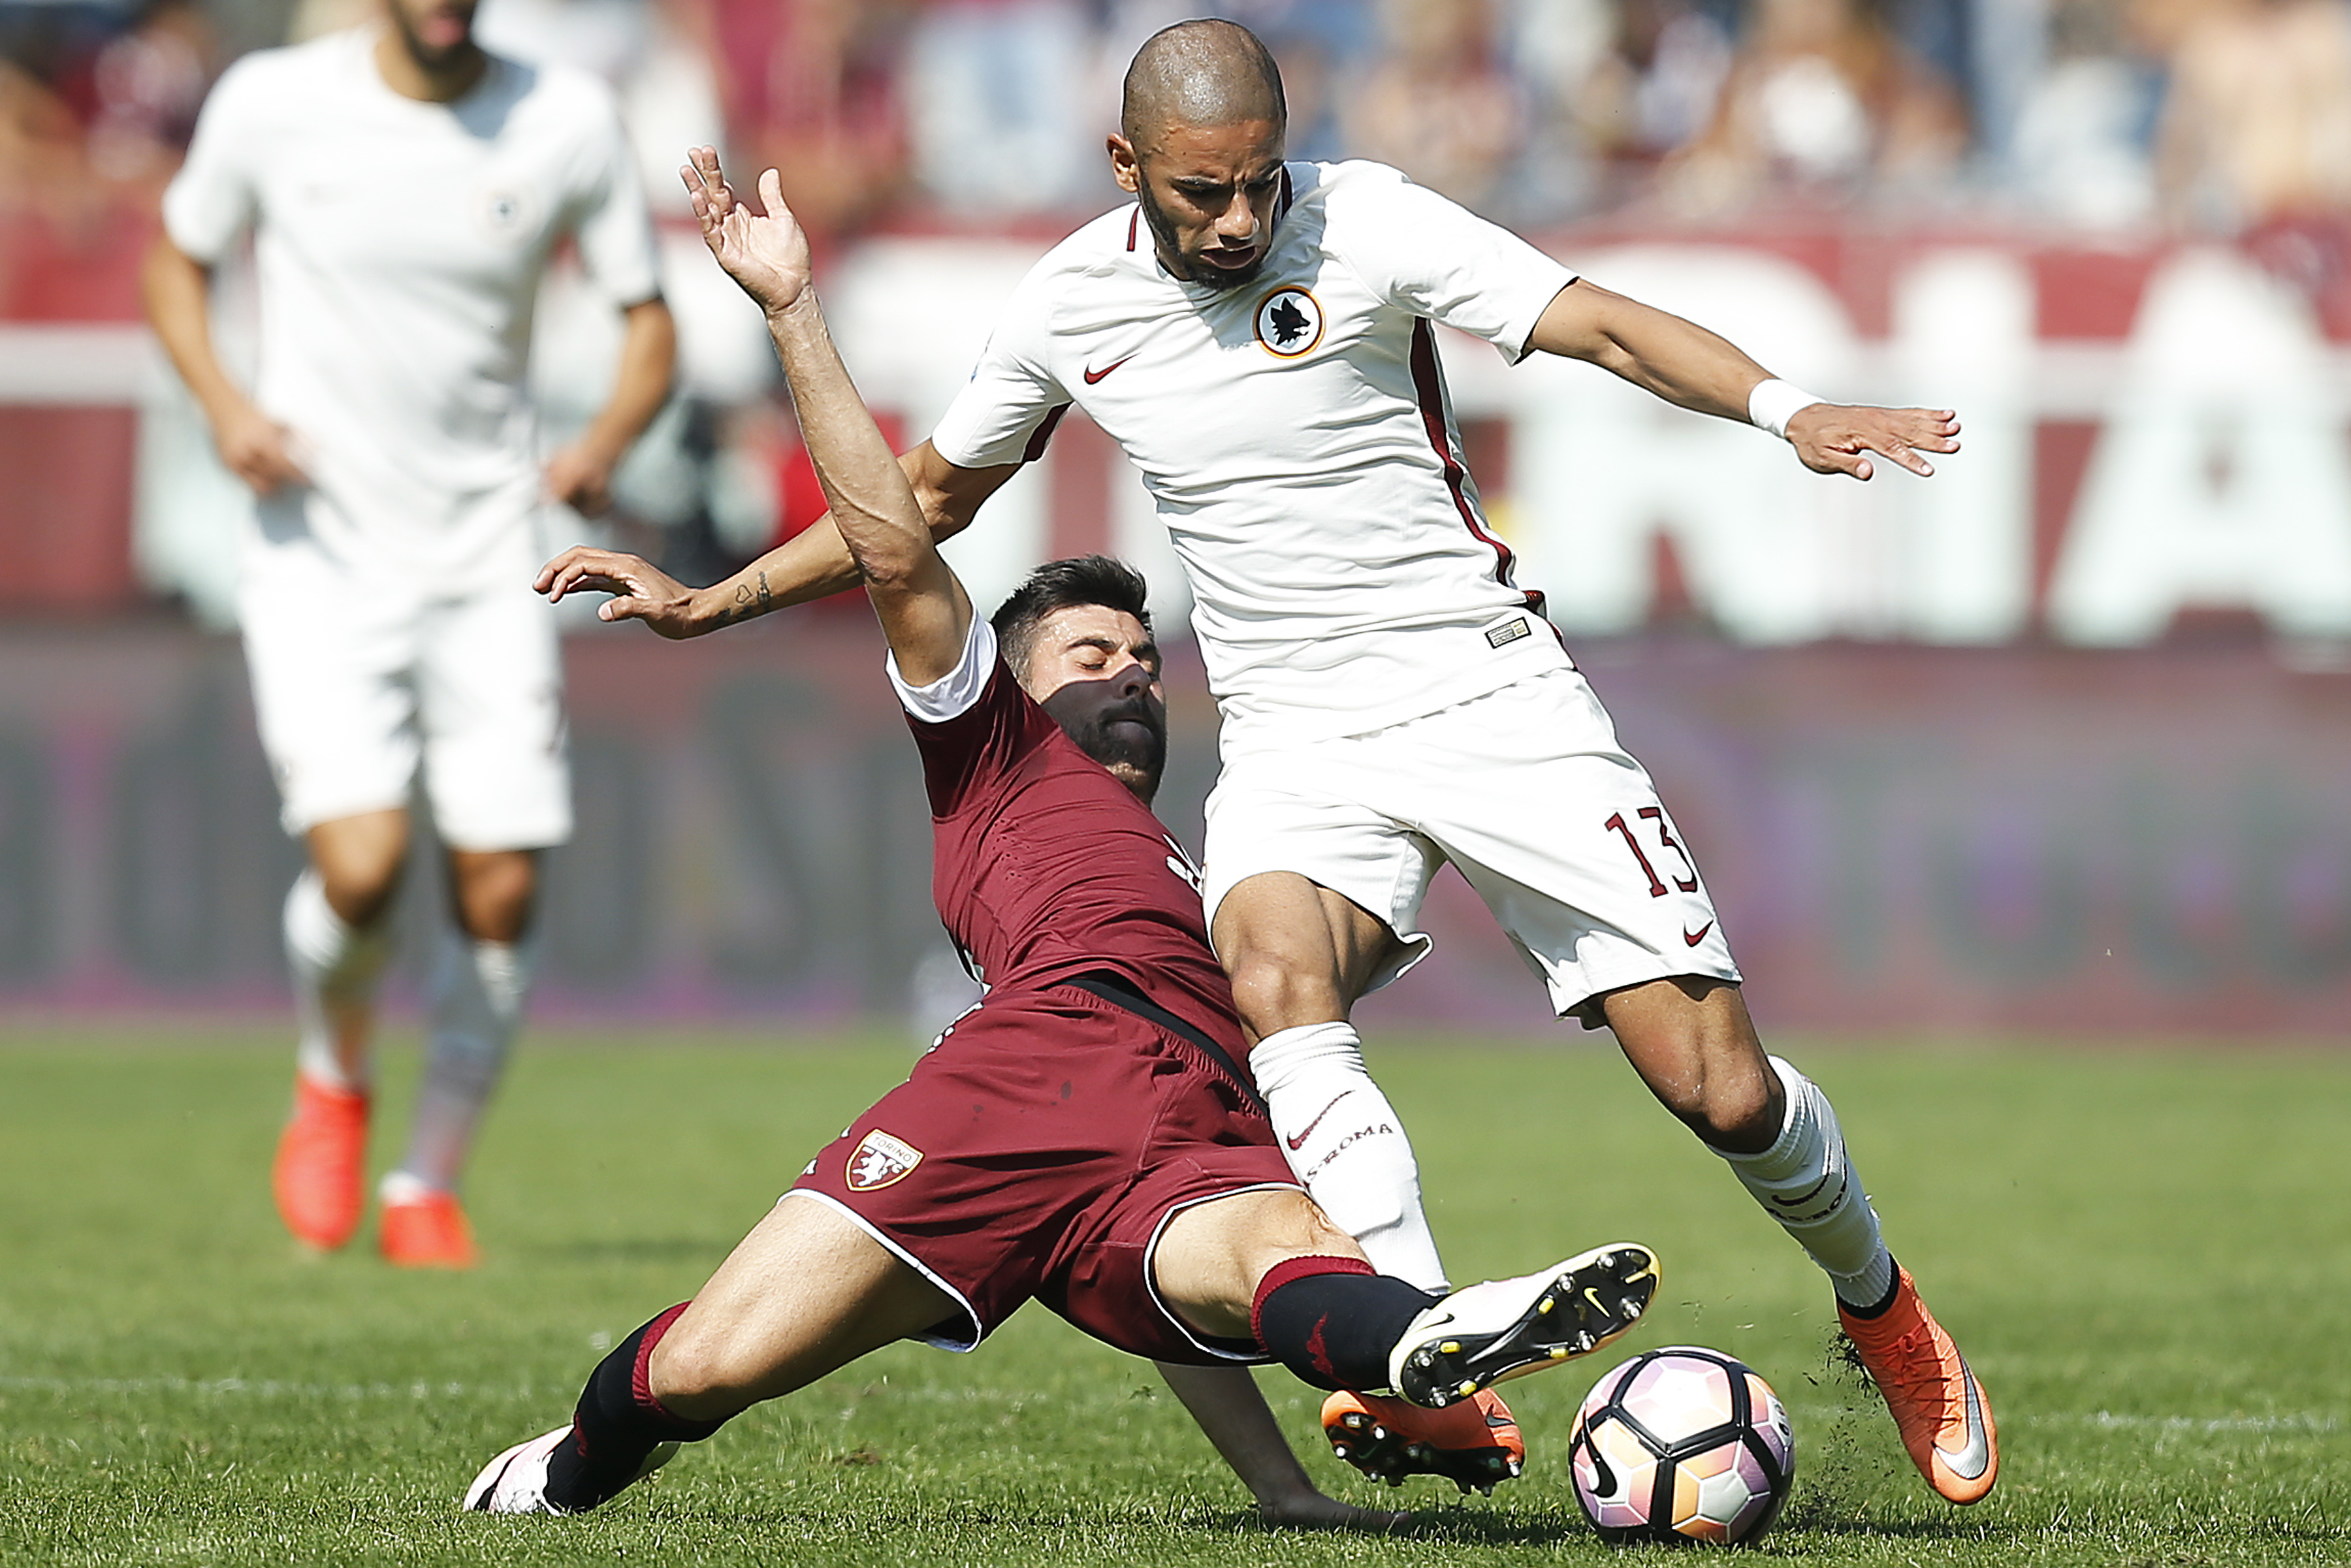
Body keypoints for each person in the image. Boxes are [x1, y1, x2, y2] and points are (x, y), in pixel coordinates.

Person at [552, 18, 2000, 1508]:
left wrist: (1788, 408)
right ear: (1126, 165)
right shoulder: (1071, 301)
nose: (1240, 220)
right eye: (1201, 194)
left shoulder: (1366, 220)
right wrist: (712, 598)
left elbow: (1601, 322)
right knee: (1267, 970)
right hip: (1295, 730)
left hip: (1485, 691)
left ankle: (1881, 1304)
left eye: (1258, 182)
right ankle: (1432, 1362)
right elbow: (922, 497)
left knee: (1719, 1089)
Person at [469, 149, 1663, 1522]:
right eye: (1093, 651)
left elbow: (1173, 1332)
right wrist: (794, 311)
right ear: (1010, 677)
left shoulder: (1207, 866)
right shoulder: (992, 750)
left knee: (1281, 1244)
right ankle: (566, 1472)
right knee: (702, 1368)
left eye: (1147, 659)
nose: (1133, 674)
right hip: (1039, 1067)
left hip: (1197, 1109)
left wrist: (1278, 1494)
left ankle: (1409, 1346)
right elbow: (896, 544)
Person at [141, 0, 677, 1267]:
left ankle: (424, 1182)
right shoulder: (275, 103)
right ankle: (332, 1073)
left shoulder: (565, 118)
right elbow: (176, 260)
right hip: (318, 545)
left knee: (499, 882)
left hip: (494, 550)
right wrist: (223, 404)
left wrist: (601, 443)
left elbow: (644, 317)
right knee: (365, 866)